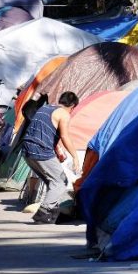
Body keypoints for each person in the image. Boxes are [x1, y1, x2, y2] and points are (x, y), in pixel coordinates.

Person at [20, 91, 81, 224]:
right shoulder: (64, 114)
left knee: (51, 181)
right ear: (72, 106)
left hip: (26, 150)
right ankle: (43, 213)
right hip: (40, 150)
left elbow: (44, 131)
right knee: (61, 181)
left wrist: (56, 150)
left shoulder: (45, 108)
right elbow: (65, 136)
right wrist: (75, 157)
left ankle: (54, 213)